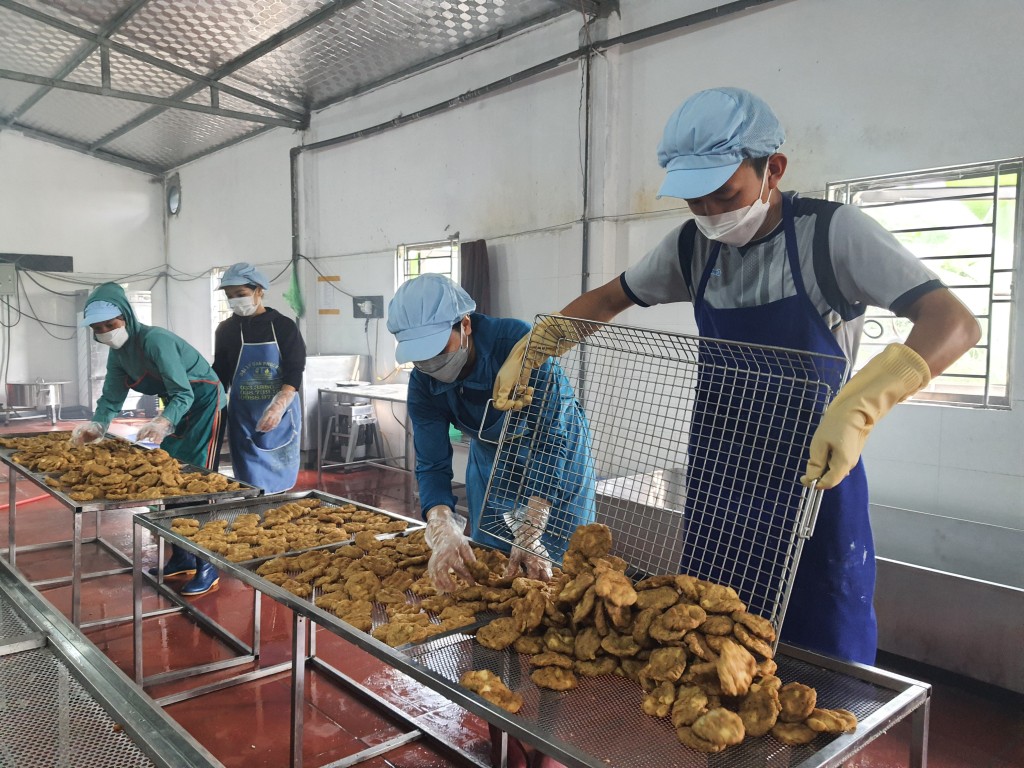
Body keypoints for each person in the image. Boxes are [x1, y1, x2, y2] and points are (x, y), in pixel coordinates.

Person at [493, 87, 980, 665]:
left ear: (773, 168)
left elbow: (953, 321)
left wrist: (863, 404)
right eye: (694, 201)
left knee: (822, 646)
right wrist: (539, 343)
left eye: (725, 195)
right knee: (708, 636)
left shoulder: (833, 234)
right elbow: (606, 300)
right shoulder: (691, 248)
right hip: (720, 478)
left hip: (812, 479)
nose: (710, 214)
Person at [386, 274, 596, 593]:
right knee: (491, 563)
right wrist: (440, 522)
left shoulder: (519, 345)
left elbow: (551, 440)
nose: (431, 363)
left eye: (438, 349)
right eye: (420, 355)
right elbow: (431, 463)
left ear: (465, 325)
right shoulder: (423, 383)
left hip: (557, 457)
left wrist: (531, 526)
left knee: (563, 575)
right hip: (492, 459)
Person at [74, 282, 228, 596]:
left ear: (126, 316)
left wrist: (163, 421)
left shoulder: (155, 341)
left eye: (110, 325)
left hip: (204, 404)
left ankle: (207, 564)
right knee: (168, 477)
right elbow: (111, 398)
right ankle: (182, 557)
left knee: (197, 482)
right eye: (98, 329)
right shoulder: (119, 355)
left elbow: (183, 392)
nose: (105, 332)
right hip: (177, 407)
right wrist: (97, 426)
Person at [212, 262, 306, 494]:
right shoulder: (226, 330)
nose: (235, 300)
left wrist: (278, 406)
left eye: (241, 294)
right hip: (243, 416)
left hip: (281, 416)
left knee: (279, 479)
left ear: (259, 291)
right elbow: (220, 373)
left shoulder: (283, 326)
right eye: (230, 296)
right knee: (249, 482)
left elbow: (295, 369)